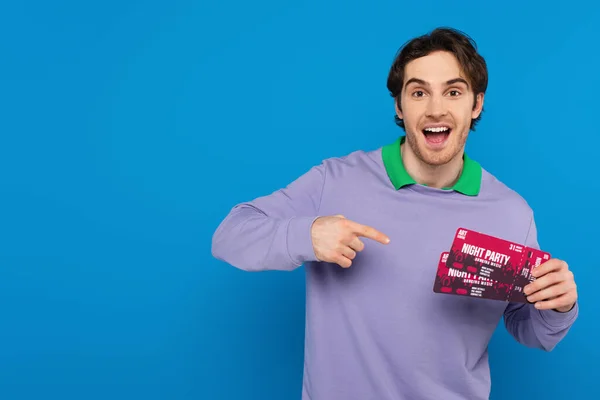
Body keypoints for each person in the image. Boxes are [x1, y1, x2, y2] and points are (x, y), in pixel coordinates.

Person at [211, 27, 578, 400]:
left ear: (476, 104)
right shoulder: (334, 181)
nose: (436, 109)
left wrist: (560, 306)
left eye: (453, 92)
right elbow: (229, 236)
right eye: (419, 93)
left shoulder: (511, 214)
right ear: (400, 107)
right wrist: (307, 235)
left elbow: (527, 328)